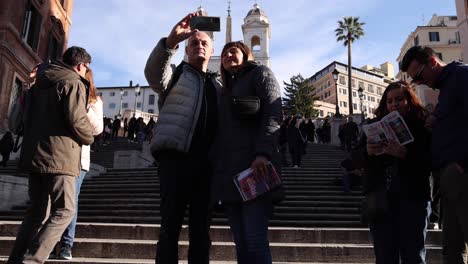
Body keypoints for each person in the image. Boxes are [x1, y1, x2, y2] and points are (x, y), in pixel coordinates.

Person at [144, 12, 220, 264]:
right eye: (194, 43)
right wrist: (169, 43)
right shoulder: (175, 75)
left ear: (212, 50)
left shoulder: (219, 84)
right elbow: (154, 75)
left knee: (201, 233)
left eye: (204, 43)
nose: (199, 46)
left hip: (207, 166)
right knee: (169, 229)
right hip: (174, 161)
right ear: (186, 49)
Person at [7, 46, 94, 264]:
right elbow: (76, 120)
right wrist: (89, 136)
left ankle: (16, 259)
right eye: (86, 68)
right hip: (60, 156)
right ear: (81, 65)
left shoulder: (40, 82)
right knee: (65, 210)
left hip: (34, 155)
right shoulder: (73, 82)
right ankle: (32, 260)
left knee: (35, 212)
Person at [211, 40, 282, 264]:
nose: (228, 55)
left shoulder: (260, 73)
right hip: (229, 175)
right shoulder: (224, 89)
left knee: (255, 240)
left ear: (246, 54)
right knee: (240, 242)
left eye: (234, 51)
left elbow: (273, 111)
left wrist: (263, 152)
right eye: (224, 54)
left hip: (254, 169)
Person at [400, 45, 468, 264]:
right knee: (452, 247)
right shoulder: (447, 88)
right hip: (447, 181)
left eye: (419, 76)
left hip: (460, 173)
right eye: (414, 81)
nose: (419, 83)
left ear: (432, 62)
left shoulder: (461, 75)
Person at [363, 81, 432, 264]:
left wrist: (404, 154)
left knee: (413, 255)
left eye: (399, 99)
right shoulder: (374, 125)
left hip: (413, 199)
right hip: (382, 201)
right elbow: (354, 160)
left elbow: (430, 161)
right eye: (390, 101)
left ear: (409, 100)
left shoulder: (422, 125)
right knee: (385, 256)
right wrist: (367, 151)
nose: (394, 104)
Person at [54, 68, 104, 260]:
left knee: (70, 202)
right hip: (59, 154)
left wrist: (83, 106)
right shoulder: (63, 91)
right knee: (56, 203)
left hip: (79, 158)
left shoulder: (94, 101)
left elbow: (98, 128)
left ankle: (66, 244)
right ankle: (53, 242)